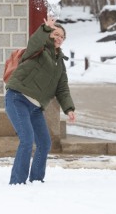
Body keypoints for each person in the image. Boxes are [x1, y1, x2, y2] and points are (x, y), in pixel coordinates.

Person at [5, 15, 76, 185]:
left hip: (36, 108)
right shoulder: (39, 50)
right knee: (27, 139)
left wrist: (69, 108)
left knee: (44, 143)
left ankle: (36, 180)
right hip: (18, 98)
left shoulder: (60, 62)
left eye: (62, 36)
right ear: (49, 35)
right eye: (56, 34)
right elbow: (35, 42)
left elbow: (62, 88)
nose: (59, 38)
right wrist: (45, 29)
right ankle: (17, 182)